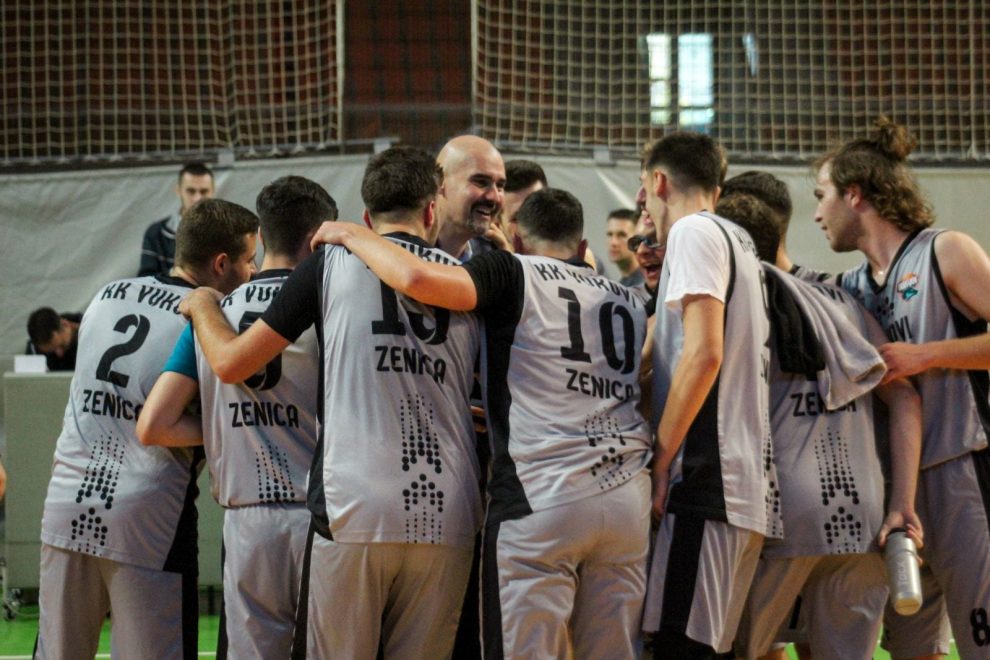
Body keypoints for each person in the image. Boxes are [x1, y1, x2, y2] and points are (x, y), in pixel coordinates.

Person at [311, 187, 653, 659]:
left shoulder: (510, 271)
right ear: (581, 244)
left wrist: (353, 234)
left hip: (543, 493)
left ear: (517, 237)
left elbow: (416, 277)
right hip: (626, 496)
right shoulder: (631, 300)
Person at [180, 147, 483, 658]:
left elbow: (233, 363)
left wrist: (205, 302)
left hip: (353, 504)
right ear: (432, 211)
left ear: (365, 218)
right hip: (447, 508)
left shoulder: (329, 263)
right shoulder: (469, 279)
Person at [36, 199, 258, 659]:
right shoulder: (207, 320)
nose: (254, 271)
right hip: (148, 519)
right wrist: (227, 430)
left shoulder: (106, 295)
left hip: (66, 501)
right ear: (221, 265)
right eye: (249, 259)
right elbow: (156, 425)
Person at [717, 192, 924, 659]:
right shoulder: (844, 299)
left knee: (739, 650)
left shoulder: (738, 299)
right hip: (865, 510)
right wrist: (903, 503)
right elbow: (905, 397)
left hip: (781, 511)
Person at [137, 176, 336, 659]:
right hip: (322, 515)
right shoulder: (333, 306)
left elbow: (155, 424)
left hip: (248, 519)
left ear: (262, 236)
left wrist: (223, 429)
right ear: (319, 239)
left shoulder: (213, 313)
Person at [816, 116, 990, 660]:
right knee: (912, 647)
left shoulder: (945, 251)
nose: (817, 213)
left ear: (854, 194)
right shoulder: (849, 288)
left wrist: (927, 354)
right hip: (896, 489)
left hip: (965, 468)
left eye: (821, 196)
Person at [637, 132, 780, 658]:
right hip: (741, 487)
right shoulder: (738, 239)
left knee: (678, 648)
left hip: (703, 482)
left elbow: (704, 354)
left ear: (659, 181)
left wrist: (660, 461)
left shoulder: (692, 231)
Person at [435, 136, 507, 262]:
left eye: (500, 186)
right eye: (481, 182)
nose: (494, 197)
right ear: (440, 182)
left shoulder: (494, 258)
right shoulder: (403, 253)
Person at [139, 162, 216, 277]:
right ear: (178, 190)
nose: (197, 198)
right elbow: (145, 278)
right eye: (191, 191)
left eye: (204, 191)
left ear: (213, 191)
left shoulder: (228, 232)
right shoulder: (157, 233)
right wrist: (176, 275)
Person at [606, 208, 645, 288]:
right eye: (610, 234)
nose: (613, 242)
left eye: (622, 235)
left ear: (637, 240)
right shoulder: (620, 287)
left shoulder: (647, 284)